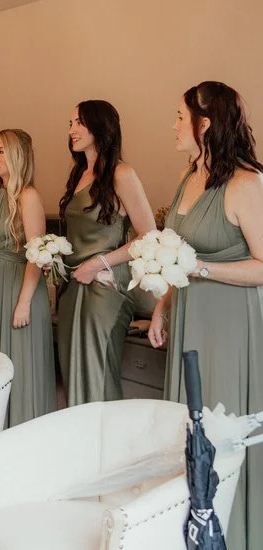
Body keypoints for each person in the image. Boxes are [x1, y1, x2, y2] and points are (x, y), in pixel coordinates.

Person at [147, 81, 263, 550]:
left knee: (220, 426)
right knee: (189, 431)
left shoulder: (245, 184)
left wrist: (201, 268)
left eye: (179, 116)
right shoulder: (187, 177)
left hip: (229, 325)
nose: (173, 125)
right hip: (190, 317)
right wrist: (161, 306)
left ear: (204, 124)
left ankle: (235, 534)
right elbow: (176, 250)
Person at [56, 100, 155, 406]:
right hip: (72, 287)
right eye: (70, 123)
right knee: (72, 373)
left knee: (97, 373)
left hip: (104, 287)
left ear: (101, 127)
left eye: (79, 122)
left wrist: (97, 263)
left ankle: (106, 450)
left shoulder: (121, 173)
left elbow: (150, 236)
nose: (72, 130)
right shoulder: (78, 174)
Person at [0, 129, 55, 426]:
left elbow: (36, 254)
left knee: (20, 364)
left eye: (1, 151)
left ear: (18, 157)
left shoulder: (28, 196)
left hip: (21, 287)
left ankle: (23, 430)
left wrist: (23, 303)